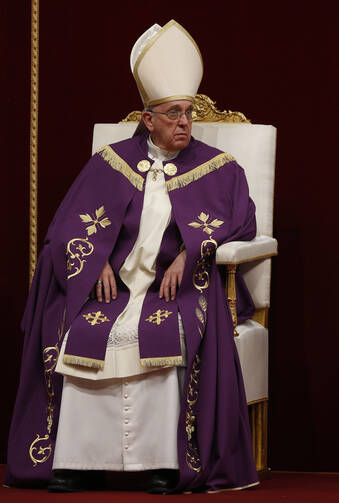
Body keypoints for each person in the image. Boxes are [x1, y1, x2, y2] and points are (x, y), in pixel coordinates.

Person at [6, 20, 259, 493]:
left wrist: (191, 252)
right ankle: (74, 461)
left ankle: (165, 462)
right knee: (76, 324)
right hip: (115, 287)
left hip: (175, 286)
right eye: (172, 114)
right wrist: (94, 258)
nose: (184, 122)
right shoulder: (110, 160)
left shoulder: (220, 169)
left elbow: (242, 221)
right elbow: (66, 226)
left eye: (187, 113)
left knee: (167, 330)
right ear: (148, 119)